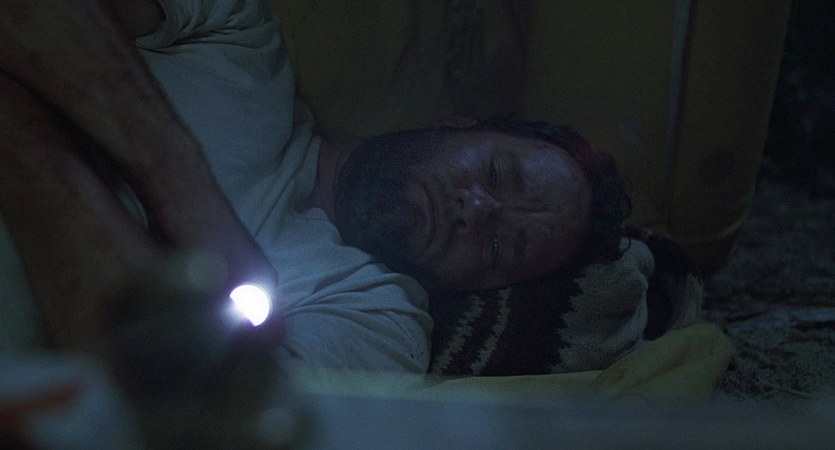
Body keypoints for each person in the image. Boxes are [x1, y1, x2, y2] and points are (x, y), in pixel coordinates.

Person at [0, 0, 629, 379]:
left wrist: (24, 134)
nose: (479, 211)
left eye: (500, 248)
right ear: (455, 124)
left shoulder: (379, 323)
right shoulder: (238, 40)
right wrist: (181, 184)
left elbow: (163, 406)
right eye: (497, 174)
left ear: (475, 291)